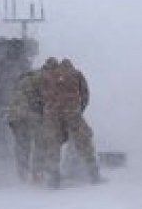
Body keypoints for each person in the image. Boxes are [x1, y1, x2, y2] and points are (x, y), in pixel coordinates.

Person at [40, 58, 102, 188]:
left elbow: (41, 96)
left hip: (52, 112)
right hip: (72, 110)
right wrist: (78, 109)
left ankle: (53, 177)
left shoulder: (46, 75)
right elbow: (85, 94)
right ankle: (93, 173)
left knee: (53, 143)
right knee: (84, 139)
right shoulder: (76, 73)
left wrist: (47, 111)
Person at [6, 59, 49, 182]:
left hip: (14, 116)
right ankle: (37, 174)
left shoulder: (22, 79)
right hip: (29, 114)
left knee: (22, 145)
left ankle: (22, 174)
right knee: (40, 142)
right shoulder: (40, 78)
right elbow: (40, 99)